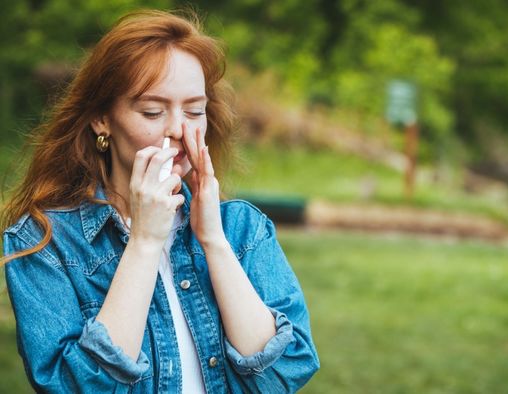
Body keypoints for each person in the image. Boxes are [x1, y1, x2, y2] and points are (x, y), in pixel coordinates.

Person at [1, 9, 319, 393]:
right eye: (152, 111)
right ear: (102, 120)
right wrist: (145, 243)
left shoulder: (242, 228)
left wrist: (214, 242)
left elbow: (286, 372)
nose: (178, 129)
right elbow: (72, 387)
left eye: (194, 110)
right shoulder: (44, 241)